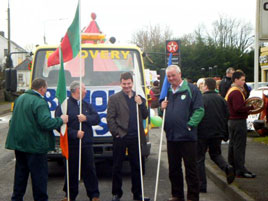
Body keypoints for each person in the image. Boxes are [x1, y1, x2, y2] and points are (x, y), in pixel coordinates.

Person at [5, 78, 68, 201]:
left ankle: (16, 198)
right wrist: (61, 120)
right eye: (46, 88)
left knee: (20, 177)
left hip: (20, 146)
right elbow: (46, 123)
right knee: (39, 179)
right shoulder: (39, 102)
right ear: (41, 88)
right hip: (36, 147)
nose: (46, 91)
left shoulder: (20, 99)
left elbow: (13, 121)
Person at [161, 65, 204, 201]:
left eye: (173, 75)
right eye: (168, 76)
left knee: (191, 169)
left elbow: (199, 110)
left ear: (180, 74)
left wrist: (190, 125)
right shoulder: (167, 91)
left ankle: (192, 196)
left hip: (187, 137)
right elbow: (164, 112)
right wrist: (162, 109)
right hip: (172, 136)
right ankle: (177, 195)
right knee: (174, 169)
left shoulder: (192, 89)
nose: (171, 78)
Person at [107, 72, 149, 201]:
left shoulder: (139, 97)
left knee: (137, 167)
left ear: (132, 83)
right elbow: (110, 118)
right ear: (121, 83)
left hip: (135, 137)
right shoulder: (114, 98)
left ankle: (138, 195)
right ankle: (116, 193)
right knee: (117, 166)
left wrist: (141, 103)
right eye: (124, 84)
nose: (127, 86)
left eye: (129, 84)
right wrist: (117, 133)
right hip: (121, 136)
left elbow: (145, 115)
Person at [55, 81, 100, 201]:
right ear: (77, 90)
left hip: (86, 144)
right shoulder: (64, 106)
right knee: (71, 171)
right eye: (84, 89)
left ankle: (94, 195)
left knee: (90, 170)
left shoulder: (86, 105)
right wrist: (74, 134)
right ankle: (69, 195)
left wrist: (86, 118)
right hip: (71, 144)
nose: (86, 91)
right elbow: (58, 125)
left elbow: (97, 118)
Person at [197, 78, 235, 193]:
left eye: (203, 85)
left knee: (199, 158)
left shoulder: (201, 99)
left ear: (206, 86)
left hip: (202, 133)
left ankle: (202, 185)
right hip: (217, 133)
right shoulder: (222, 99)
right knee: (215, 154)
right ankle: (227, 167)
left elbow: (197, 115)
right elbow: (227, 115)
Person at [225, 71, 256, 178]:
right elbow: (238, 108)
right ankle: (240, 169)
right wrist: (251, 108)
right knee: (239, 146)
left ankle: (232, 167)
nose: (244, 82)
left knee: (233, 145)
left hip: (232, 121)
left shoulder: (231, 90)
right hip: (238, 121)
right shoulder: (236, 92)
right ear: (236, 80)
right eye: (242, 79)